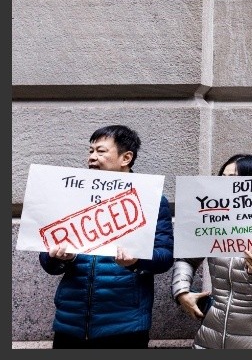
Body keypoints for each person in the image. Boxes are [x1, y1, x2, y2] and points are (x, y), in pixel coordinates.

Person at [39, 124, 174, 348]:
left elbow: (165, 256)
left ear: (126, 158)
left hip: (126, 326)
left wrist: (136, 261)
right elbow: (47, 261)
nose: (92, 157)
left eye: (100, 151)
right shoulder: (71, 195)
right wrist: (61, 258)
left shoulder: (150, 198)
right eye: (90, 151)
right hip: (70, 324)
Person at [171, 154, 252, 349]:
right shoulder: (212, 222)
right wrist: (181, 291)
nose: (226, 184)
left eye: (235, 178)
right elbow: (186, 258)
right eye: (223, 177)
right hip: (211, 334)